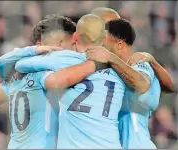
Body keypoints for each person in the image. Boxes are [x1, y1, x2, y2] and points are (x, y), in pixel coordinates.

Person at [0, 15, 103, 149]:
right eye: (72, 44)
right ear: (58, 44)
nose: (75, 50)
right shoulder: (49, 76)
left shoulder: (21, 75)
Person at [15, 14, 126, 149]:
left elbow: (21, 65)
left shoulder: (66, 60)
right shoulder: (120, 69)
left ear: (75, 37)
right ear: (104, 39)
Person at [86, 18, 161, 149]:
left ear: (119, 44)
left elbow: (141, 85)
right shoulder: (105, 69)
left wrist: (111, 57)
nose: (100, 45)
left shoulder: (140, 64)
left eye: (104, 40)